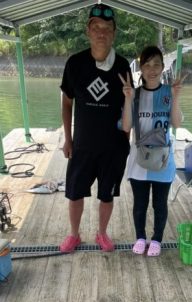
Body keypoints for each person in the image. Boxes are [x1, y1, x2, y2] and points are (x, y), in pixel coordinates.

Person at [60, 3, 131, 253]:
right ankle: (74, 234)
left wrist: (126, 141)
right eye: (97, 27)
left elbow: (128, 106)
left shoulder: (123, 66)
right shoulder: (75, 64)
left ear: (114, 33)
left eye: (107, 28)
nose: (102, 32)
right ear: (88, 31)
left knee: (107, 195)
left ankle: (102, 233)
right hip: (82, 145)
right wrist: (67, 139)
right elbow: (67, 102)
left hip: (113, 147)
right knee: (74, 193)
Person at [119, 46, 184, 257]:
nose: (152, 69)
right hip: (139, 158)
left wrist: (176, 96)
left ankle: (156, 239)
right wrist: (127, 98)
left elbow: (175, 122)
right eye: (147, 64)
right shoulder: (134, 93)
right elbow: (126, 126)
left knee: (159, 204)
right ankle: (140, 237)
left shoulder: (168, 91)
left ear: (163, 67)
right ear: (141, 68)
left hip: (163, 159)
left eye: (157, 64)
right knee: (140, 203)